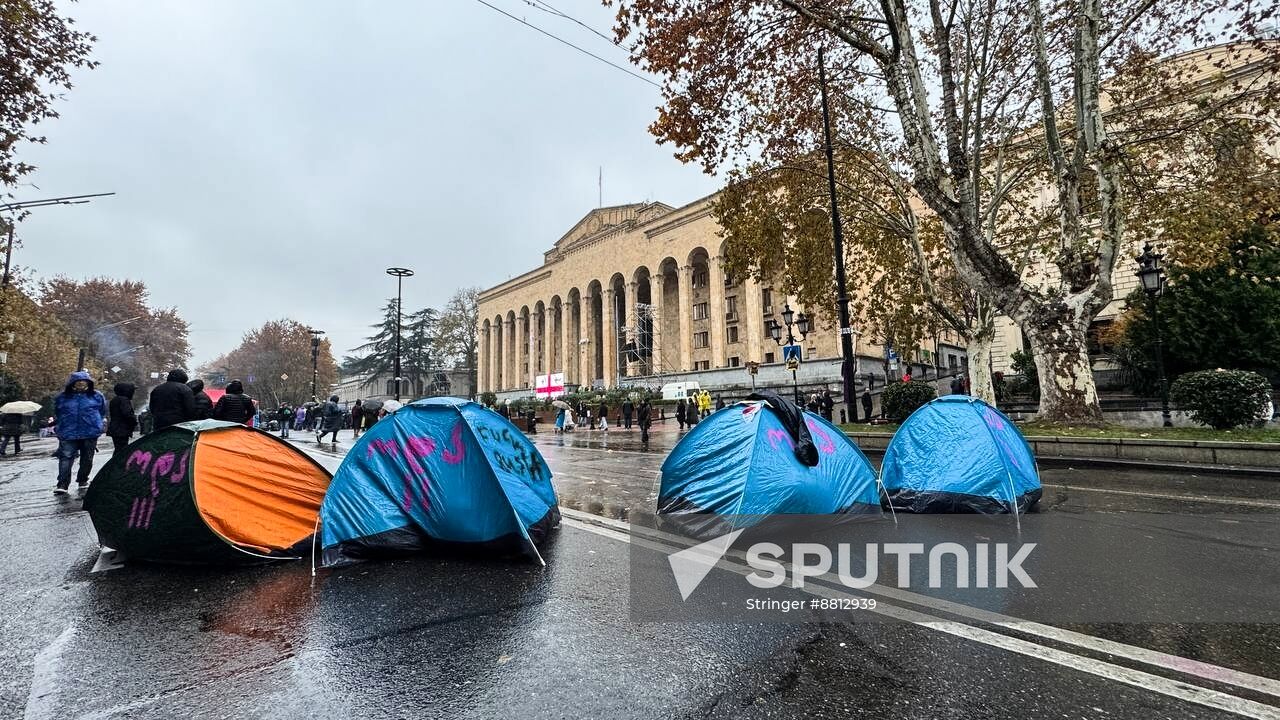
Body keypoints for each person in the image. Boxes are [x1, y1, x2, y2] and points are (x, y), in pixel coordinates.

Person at [53, 370, 106, 495]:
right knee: (66, 457)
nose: (81, 384)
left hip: (90, 431)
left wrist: (96, 424)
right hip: (68, 432)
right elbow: (58, 412)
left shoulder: (97, 396)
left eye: (84, 382)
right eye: (78, 382)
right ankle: (62, 484)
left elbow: (102, 411)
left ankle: (82, 480)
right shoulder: (63, 397)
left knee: (87, 458)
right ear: (72, 383)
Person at [107, 383, 138, 457]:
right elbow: (127, 414)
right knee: (121, 450)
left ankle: (115, 464)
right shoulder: (124, 400)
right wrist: (134, 421)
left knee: (118, 449)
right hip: (121, 429)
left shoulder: (115, 400)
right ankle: (117, 465)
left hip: (116, 428)